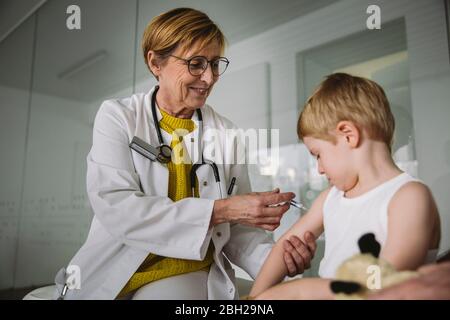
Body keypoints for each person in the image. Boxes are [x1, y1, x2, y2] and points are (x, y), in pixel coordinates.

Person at [53, 8, 315, 300]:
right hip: (116, 263)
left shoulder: (226, 134)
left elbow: (237, 231)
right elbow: (117, 206)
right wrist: (224, 209)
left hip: (185, 271)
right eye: (196, 64)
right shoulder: (118, 117)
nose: (209, 77)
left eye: (215, 64)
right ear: (156, 63)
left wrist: (278, 260)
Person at [250, 73, 441, 299]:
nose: (319, 168)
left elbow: (384, 286)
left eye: (318, 154)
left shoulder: (409, 197)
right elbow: (285, 246)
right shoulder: (330, 198)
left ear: (348, 135)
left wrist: (300, 291)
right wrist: (255, 299)